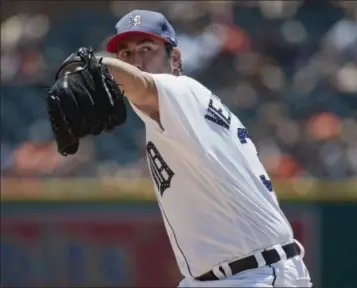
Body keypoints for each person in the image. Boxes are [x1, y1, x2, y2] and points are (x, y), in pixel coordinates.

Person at [85, 9, 313, 287]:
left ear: (175, 59)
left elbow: (142, 84)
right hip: (219, 276)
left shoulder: (182, 92)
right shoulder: (176, 113)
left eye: (147, 49)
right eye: (126, 55)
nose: (136, 62)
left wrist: (89, 64)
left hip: (254, 276)